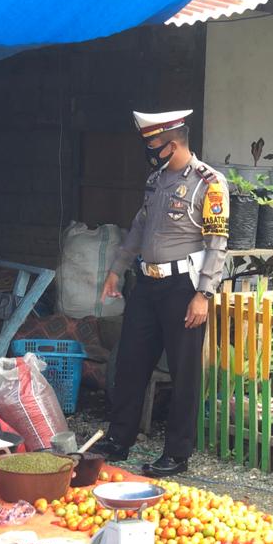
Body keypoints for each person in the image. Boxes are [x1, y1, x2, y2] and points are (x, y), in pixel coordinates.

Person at [92, 109, 229, 476]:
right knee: (131, 362)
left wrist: (204, 294)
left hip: (183, 287)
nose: (148, 148)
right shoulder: (155, 181)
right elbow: (139, 229)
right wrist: (116, 270)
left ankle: (176, 453)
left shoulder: (209, 183)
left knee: (184, 372)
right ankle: (120, 439)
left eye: (152, 142)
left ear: (172, 143)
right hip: (147, 284)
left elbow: (217, 243)